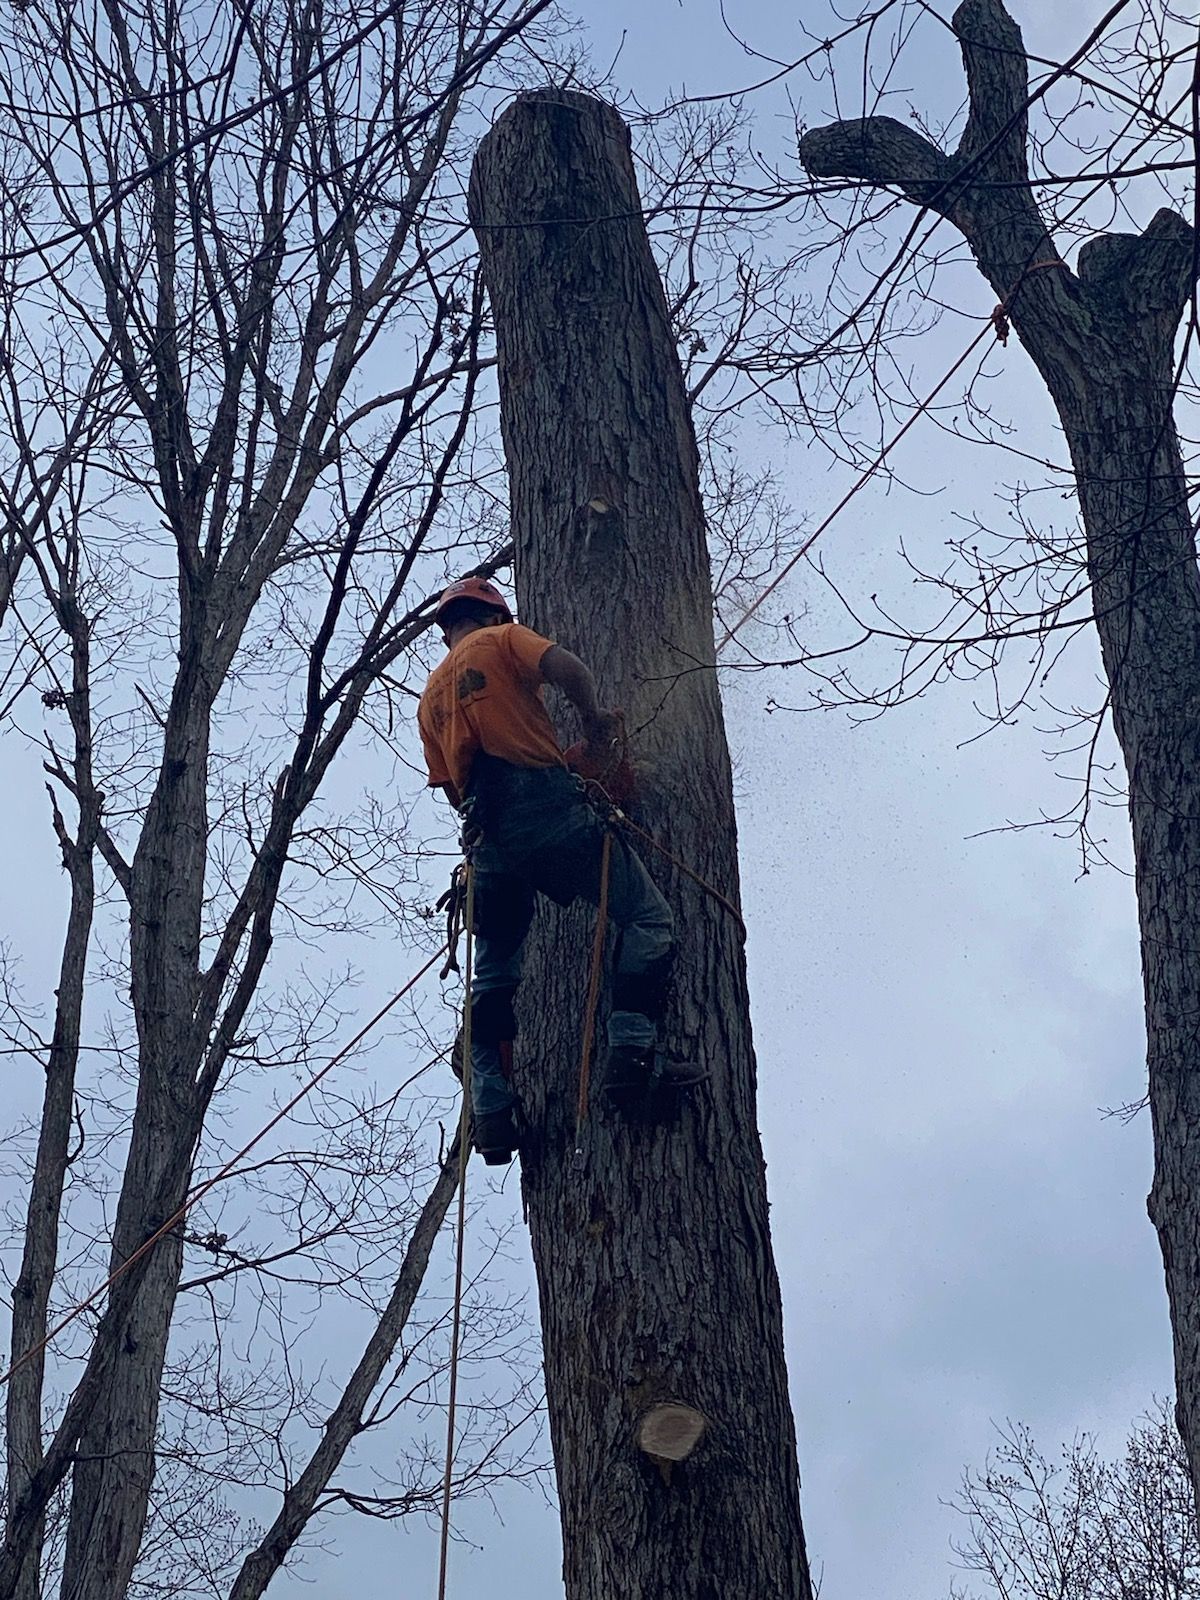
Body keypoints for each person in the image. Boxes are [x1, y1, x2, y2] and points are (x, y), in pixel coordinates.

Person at [418, 576, 705, 1164]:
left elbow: (450, 788)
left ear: (447, 630)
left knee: (492, 979)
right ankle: (632, 1057)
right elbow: (569, 668)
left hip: (488, 841)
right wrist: (594, 721)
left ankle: (492, 1114)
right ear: (493, 615)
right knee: (648, 919)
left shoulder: (430, 699)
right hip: (548, 812)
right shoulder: (502, 640)